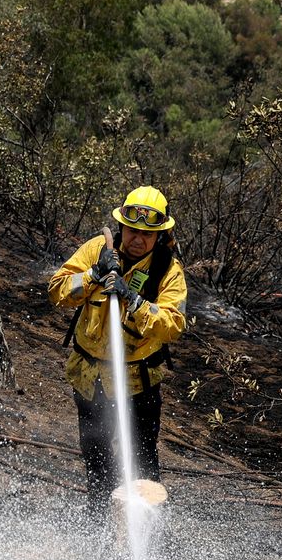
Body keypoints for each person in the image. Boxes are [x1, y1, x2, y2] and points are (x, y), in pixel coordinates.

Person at [47, 186, 191, 512]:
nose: (137, 239)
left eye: (146, 233)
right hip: (89, 376)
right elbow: (57, 290)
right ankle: (100, 522)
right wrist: (94, 274)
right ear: (121, 226)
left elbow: (173, 325)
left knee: (141, 460)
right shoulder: (99, 249)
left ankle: (146, 530)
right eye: (131, 230)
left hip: (136, 384)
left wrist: (133, 300)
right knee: (96, 453)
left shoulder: (167, 271)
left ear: (160, 235)